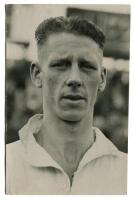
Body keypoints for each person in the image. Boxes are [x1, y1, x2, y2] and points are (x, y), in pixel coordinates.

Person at [6, 16, 127, 195]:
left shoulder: (126, 172)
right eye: (60, 65)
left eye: (87, 66)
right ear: (37, 74)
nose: (74, 79)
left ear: (102, 78)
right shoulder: (7, 165)